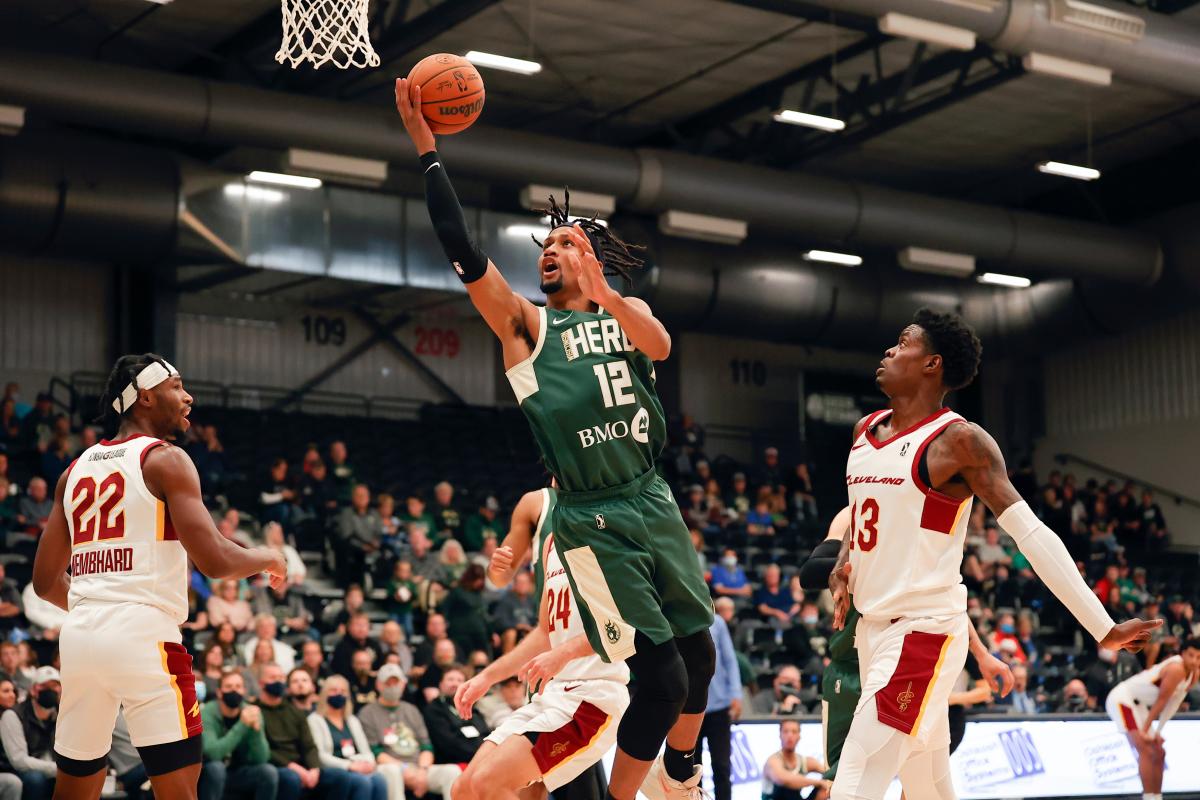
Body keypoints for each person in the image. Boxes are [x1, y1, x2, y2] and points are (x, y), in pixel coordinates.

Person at [397, 80, 715, 800]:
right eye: (546, 246)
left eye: (567, 244)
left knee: (699, 657)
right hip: (589, 513)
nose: (551, 253)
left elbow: (660, 347)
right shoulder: (526, 327)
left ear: (594, 258)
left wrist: (607, 295)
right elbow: (462, 249)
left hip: (651, 494)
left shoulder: (624, 310)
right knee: (659, 677)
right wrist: (427, 152)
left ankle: (680, 774)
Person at [827, 309, 1157, 800]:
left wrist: (1101, 626)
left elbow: (1032, 534)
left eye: (903, 343)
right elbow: (863, 519)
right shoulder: (865, 431)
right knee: (928, 789)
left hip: (923, 633)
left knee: (853, 785)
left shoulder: (959, 442)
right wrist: (841, 569)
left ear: (932, 363)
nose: (889, 351)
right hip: (872, 632)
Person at [30, 353, 287, 800]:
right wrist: (270, 556)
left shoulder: (73, 470)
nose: (188, 396)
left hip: (82, 634)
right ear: (145, 397)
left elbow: (44, 581)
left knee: (74, 787)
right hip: (145, 635)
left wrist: (101, 610)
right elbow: (216, 560)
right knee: (179, 790)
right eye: (177, 386)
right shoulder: (166, 459)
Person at [451, 483, 630, 800]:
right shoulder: (550, 544)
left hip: (592, 693)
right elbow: (545, 633)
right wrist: (486, 678)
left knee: (490, 784)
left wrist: (562, 654)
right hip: (553, 692)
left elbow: (620, 630)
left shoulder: (604, 533)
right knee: (464, 788)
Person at [1106, 637, 1200, 800]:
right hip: (1123, 698)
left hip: (1138, 704)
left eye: (1198, 657)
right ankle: (1149, 796)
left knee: (1159, 752)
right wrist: (1146, 730)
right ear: (1183, 654)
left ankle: (1157, 796)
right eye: (1191, 655)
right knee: (1147, 750)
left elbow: (1174, 703)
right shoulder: (1176, 668)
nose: (1194, 661)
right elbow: (1161, 701)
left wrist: (1158, 731)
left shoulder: (1194, 674)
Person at [357, 664, 461, 800]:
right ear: (378, 685)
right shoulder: (367, 713)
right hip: (387, 767)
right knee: (392, 771)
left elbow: (426, 746)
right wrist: (405, 769)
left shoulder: (412, 710)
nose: (392, 686)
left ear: (403, 684)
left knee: (452, 771)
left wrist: (422, 772)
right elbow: (376, 752)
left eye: (396, 682)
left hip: (418, 767)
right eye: (388, 682)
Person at [256, 663, 351, 800]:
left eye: (281, 677)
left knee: (340, 777)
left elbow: (309, 746)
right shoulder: (255, 711)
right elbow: (264, 750)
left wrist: (314, 769)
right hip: (277, 766)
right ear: (261, 683)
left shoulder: (294, 711)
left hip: (303, 767)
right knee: (291, 778)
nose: (278, 681)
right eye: (272, 678)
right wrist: (294, 768)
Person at [199, 670, 277, 800]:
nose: (234, 691)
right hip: (210, 774)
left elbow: (262, 758)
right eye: (229, 687)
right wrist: (242, 725)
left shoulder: (251, 712)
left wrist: (257, 731)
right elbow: (213, 753)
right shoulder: (207, 712)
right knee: (216, 768)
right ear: (219, 692)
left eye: (238, 687)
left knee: (268, 772)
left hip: (239, 772)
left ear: (244, 691)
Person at [306, 675, 387, 800]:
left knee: (380, 780)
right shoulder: (315, 720)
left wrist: (369, 764)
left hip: (357, 764)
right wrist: (349, 766)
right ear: (324, 694)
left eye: (343, 691)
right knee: (363, 783)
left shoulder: (352, 720)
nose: (338, 694)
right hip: (334, 770)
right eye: (333, 690)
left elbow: (366, 750)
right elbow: (320, 755)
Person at [697, 610, 740, 800]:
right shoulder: (673, 615)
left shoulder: (717, 622)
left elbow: (730, 660)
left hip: (719, 707)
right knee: (690, 770)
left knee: (722, 766)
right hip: (687, 708)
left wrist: (736, 694)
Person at [0, 666, 59, 800]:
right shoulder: (14, 715)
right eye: (44, 686)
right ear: (33, 690)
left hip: (53, 768)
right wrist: (56, 769)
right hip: (20, 771)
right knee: (36, 779)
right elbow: (19, 760)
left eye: (55, 685)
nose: (50, 690)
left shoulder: (62, 715)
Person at [420, 665, 490, 764]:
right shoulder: (434, 709)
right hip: (451, 762)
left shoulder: (473, 709)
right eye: (450, 679)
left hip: (480, 759)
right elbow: (447, 743)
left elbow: (485, 734)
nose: (455, 683)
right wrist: (479, 754)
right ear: (440, 684)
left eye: (459, 680)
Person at [761, 720, 829, 800]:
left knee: (826, 785)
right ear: (780, 735)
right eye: (786, 731)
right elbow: (784, 779)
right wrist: (818, 783)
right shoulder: (773, 761)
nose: (789, 735)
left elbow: (831, 773)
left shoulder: (805, 761)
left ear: (799, 736)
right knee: (787, 788)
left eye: (794, 732)